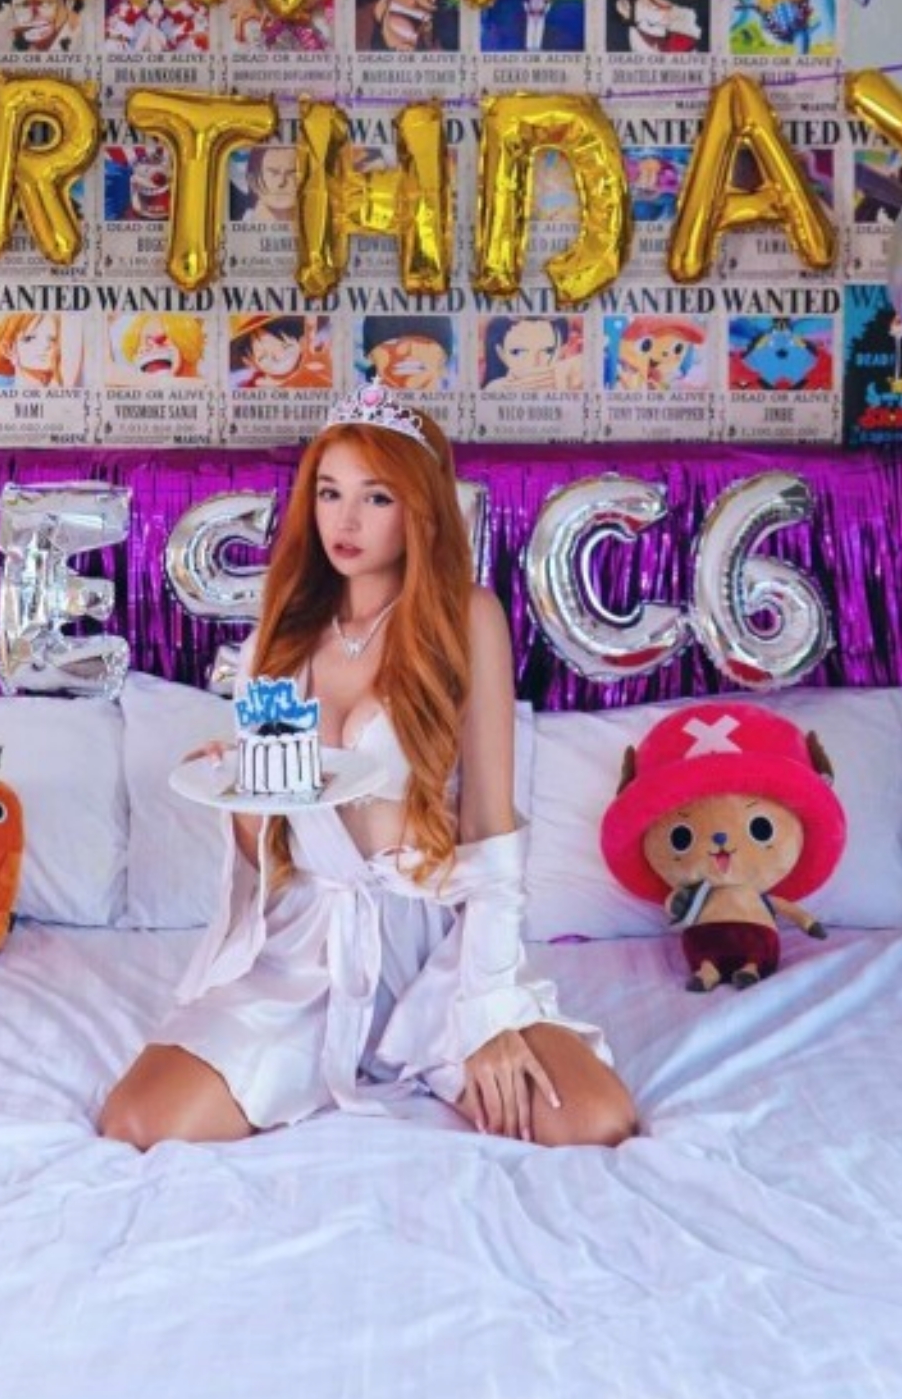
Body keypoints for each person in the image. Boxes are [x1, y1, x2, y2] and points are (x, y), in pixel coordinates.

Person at [99, 388, 638, 1150]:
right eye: (330, 493)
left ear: (419, 510)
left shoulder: (468, 618)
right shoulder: (281, 630)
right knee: (139, 1120)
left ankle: (435, 1041)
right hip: (305, 950)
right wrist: (240, 792)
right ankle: (313, 1058)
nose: (345, 521)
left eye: (375, 497)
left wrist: (487, 1007)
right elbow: (270, 847)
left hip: (434, 944)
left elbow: (491, 826)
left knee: (593, 1120)